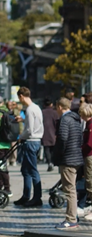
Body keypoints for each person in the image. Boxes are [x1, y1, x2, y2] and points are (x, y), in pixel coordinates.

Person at [53, 97, 84, 230]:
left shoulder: (65, 120)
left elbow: (63, 139)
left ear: (60, 107)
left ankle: (71, 219)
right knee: (72, 188)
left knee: (69, 190)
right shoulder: (75, 119)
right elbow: (80, 138)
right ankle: (73, 215)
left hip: (68, 159)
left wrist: (58, 155)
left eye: (56, 108)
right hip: (76, 157)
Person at [14, 87, 44, 207]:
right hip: (35, 141)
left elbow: (30, 130)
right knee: (25, 170)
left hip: (31, 141)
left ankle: (37, 197)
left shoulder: (30, 109)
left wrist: (21, 136)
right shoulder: (36, 107)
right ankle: (26, 196)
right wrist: (23, 120)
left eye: (19, 98)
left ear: (21, 96)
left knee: (32, 170)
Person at [80, 103, 92, 221]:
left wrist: (80, 149)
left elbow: (89, 143)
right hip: (89, 154)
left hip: (89, 155)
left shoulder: (90, 124)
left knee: (90, 181)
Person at [41, 98, 59, 172]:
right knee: (53, 149)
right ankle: (53, 162)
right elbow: (57, 123)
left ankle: (49, 163)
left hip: (44, 133)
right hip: (53, 133)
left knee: (46, 149)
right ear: (51, 104)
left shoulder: (42, 112)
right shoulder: (55, 112)